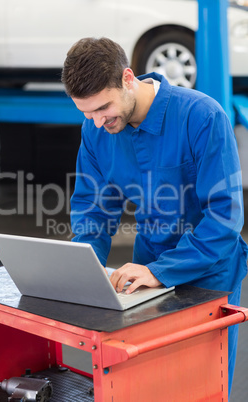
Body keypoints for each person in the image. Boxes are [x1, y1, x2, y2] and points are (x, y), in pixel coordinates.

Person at [61, 37, 248, 395]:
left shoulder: (202, 117)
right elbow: (94, 206)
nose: (98, 123)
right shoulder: (96, 130)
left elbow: (225, 217)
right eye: (87, 114)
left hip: (210, 271)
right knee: (151, 385)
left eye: (103, 108)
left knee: (202, 386)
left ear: (128, 78)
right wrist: (85, 265)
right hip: (147, 268)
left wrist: (158, 272)